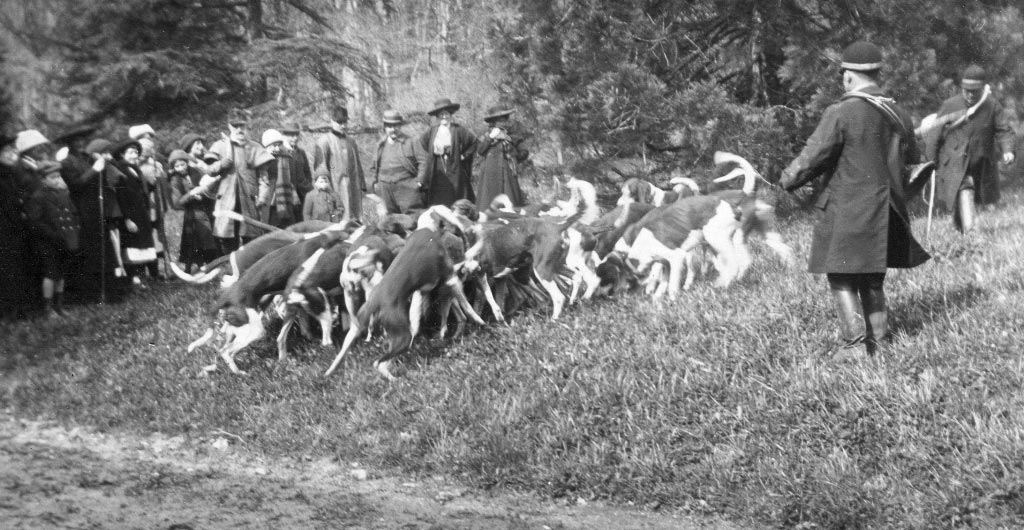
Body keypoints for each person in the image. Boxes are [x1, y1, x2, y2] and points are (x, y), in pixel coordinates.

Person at [780, 41, 930, 359]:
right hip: (887, 209)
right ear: (876, 74)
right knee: (872, 278)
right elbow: (913, 159)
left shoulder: (840, 112)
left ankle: (855, 345)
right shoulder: (899, 113)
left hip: (849, 209)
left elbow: (813, 157)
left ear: (848, 76)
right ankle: (881, 340)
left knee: (842, 276)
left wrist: (787, 180)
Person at [922, 65, 1016, 232]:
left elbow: (1004, 130)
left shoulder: (992, 105)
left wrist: (1007, 150)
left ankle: (962, 228)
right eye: (967, 90)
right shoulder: (950, 105)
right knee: (965, 187)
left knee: (967, 192)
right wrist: (931, 162)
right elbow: (934, 135)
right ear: (962, 88)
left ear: (983, 89)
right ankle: (970, 232)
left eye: (975, 91)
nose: (970, 94)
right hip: (954, 163)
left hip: (980, 162)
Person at [207, 110, 275, 254]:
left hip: (249, 201)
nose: (239, 130)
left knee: (251, 241)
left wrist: (263, 196)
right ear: (229, 126)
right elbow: (209, 170)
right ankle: (230, 265)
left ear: (246, 126)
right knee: (227, 241)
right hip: (226, 201)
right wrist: (221, 164)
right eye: (235, 126)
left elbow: (263, 177)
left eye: (242, 126)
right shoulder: (221, 146)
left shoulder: (255, 147)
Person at [25, 161, 80, 318]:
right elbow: (35, 222)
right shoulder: (38, 197)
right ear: (43, 179)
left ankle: (59, 305)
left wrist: (75, 230)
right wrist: (53, 235)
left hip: (65, 240)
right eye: (53, 177)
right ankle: (48, 308)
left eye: (58, 176)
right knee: (51, 274)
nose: (57, 180)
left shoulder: (63, 194)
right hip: (48, 242)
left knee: (60, 274)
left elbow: (73, 213)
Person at [110, 137, 158, 288]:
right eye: (130, 152)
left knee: (142, 246)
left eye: (136, 152)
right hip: (130, 215)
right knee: (133, 247)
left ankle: (141, 278)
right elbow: (121, 196)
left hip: (141, 213)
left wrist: (151, 184)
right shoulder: (120, 170)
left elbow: (141, 190)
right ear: (122, 154)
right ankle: (134, 279)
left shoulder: (135, 169)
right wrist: (127, 219)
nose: (134, 155)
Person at [0, 132, 37, 320]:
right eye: (7, 150)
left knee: (18, 267)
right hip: (4, 230)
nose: (12, 153)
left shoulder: (12, 172)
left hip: (15, 227)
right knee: (8, 268)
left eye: (13, 149)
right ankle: (10, 310)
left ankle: (20, 308)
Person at [168, 149, 218, 273]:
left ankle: (214, 263)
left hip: (207, 207)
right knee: (198, 241)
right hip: (192, 212)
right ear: (174, 168)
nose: (181, 168)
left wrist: (203, 194)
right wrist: (191, 195)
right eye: (177, 166)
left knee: (213, 236)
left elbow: (208, 184)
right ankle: (200, 264)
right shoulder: (175, 180)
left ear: (187, 163)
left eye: (182, 164)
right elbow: (177, 202)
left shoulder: (197, 172)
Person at [420, 98, 477, 207]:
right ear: (437, 116)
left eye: (446, 114)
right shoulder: (433, 130)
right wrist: (433, 152)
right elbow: (423, 142)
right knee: (438, 193)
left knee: (455, 192)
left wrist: (464, 156)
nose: (444, 117)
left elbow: (474, 142)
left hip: (454, 166)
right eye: (441, 114)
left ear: (450, 114)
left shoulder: (458, 129)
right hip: (437, 167)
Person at [369, 109, 428, 214]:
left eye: (396, 126)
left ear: (400, 126)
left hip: (406, 187)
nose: (393, 129)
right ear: (385, 127)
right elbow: (374, 167)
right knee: (388, 219)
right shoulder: (379, 145)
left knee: (411, 218)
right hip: (385, 189)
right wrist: (374, 184)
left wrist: (419, 182)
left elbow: (424, 162)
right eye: (389, 126)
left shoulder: (411, 142)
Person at [313, 108, 366, 221]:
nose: (343, 126)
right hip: (335, 186)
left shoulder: (351, 141)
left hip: (353, 186)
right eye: (339, 122)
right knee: (337, 217)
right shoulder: (324, 141)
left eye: (344, 122)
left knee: (355, 217)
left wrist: (362, 184)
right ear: (332, 121)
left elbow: (358, 164)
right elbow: (320, 168)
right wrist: (324, 188)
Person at [475, 106, 530, 210]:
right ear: (493, 122)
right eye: (499, 121)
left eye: (504, 120)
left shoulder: (512, 136)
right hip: (490, 174)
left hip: (508, 173)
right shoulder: (487, 136)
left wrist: (513, 158)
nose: (502, 123)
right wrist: (490, 138)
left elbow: (524, 151)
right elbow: (480, 151)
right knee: (488, 203)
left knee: (510, 201)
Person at [258, 129, 300, 228]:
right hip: (270, 199)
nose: (277, 149)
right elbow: (261, 179)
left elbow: (291, 179)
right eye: (273, 145)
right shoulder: (262, 159)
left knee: (287, 226)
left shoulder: (286, 157)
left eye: (279, 145)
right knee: (270, 226)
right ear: (266, 146)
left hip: (286, 198)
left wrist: (294, 194)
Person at [281, 123, 313, 208]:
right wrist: (293, 191)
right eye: (291, 136)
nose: (295, 138)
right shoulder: (281, 152)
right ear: (284, 136)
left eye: (296, 135)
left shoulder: (301, 152)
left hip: (304, 193)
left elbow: (307, 172)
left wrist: (308, 187)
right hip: (288, 194)